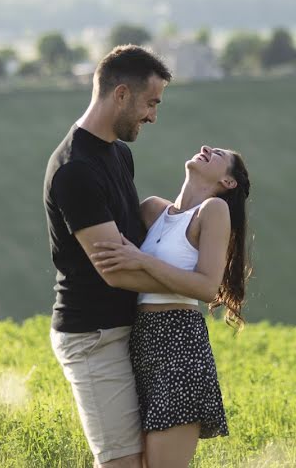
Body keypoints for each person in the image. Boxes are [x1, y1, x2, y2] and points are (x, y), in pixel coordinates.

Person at [43, 44, 174, 468]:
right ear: (121, 94)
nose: (153, 115)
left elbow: (130, 247)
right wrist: (194, 285)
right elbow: (116, 270)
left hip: (125, 330)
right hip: (93, 338)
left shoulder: (119, 154)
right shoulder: (74, 169)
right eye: (150, 103)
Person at [90, 144, 253, 468]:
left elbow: (207, 287)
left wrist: (141, 259)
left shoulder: (213, 211)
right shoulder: (152, 210)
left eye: (219, 154)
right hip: (137, 345)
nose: (206, 148)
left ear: (228, 182)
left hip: (181, 349)